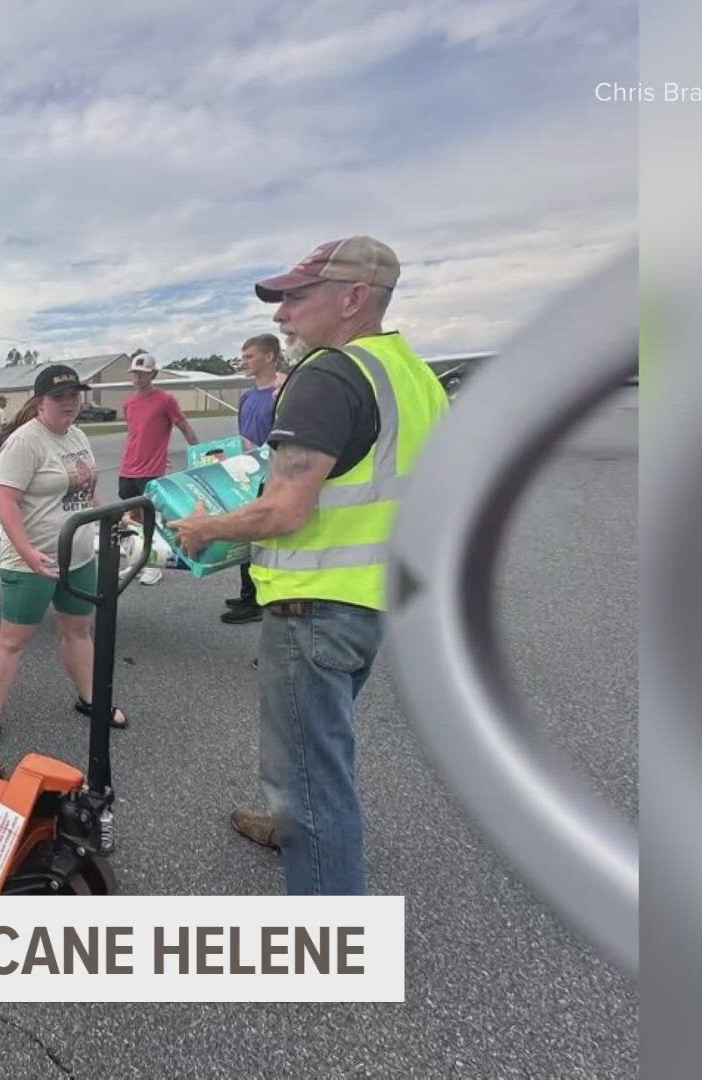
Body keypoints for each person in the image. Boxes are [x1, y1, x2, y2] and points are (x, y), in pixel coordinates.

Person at [172, 236, 446, 895]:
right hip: (378, 596)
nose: (280, 314)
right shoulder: (411, 372)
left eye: (295, 297)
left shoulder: (328, 375)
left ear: (353, 299)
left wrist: (206, 526)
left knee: (309, 766)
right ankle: (290, 825)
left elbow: (286, 510)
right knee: (318, 741)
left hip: (317, 603)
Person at [0, 365, 124, 756]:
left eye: (75, 395)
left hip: (79, 555)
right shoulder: (25, 443)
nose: (70, 403)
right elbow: (5, 502)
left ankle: (90, 699)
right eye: (60, 397)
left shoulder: (78, 435)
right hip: (33, 559)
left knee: (78, 631)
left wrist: (111, 518)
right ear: (41, 403)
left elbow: (88, 491)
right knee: (13, 641)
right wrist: (26, 552)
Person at [117, 349, 200, 585]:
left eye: (143, 374)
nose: (138, 378)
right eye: (135, 373)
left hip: (150, 470)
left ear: (153, 374)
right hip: (128, 469)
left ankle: (152, 564)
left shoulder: (166, 400)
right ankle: (135, 562)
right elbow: (135, 433)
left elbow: (183, 427)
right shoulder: (129, 403)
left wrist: (199, 455)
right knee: (130, 518)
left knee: (151, 517)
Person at [221, 333, 287, 623]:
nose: (243, 362)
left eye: (249, 357)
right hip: (247, 477)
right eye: (242, 356)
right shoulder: (247, 396)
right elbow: (242, 437)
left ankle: (262, 601)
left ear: (269, 357)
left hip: (273, 479)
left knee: (266, 541)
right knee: (246, 536)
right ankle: (249, 594)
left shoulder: (284, 392)